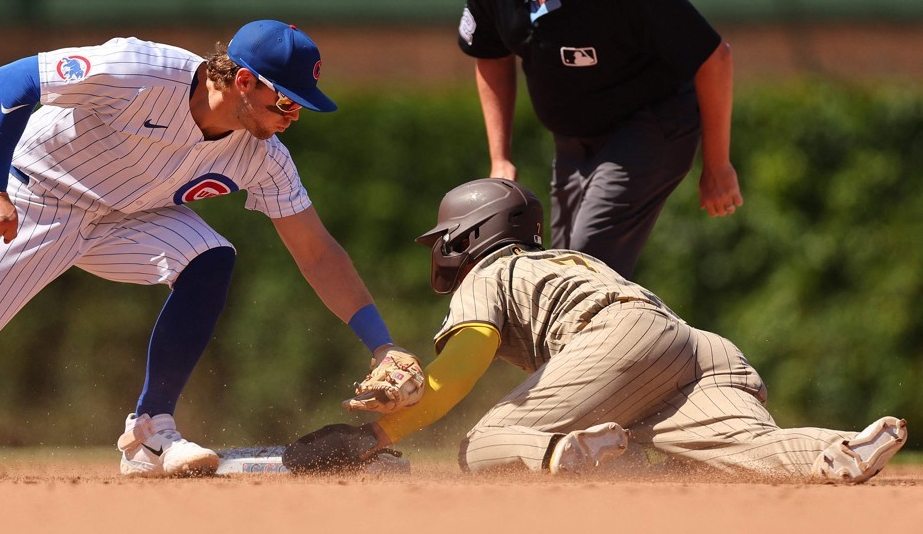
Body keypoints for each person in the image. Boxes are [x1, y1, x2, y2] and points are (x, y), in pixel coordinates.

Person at [0, 20, 416, 479]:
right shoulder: (139, 68)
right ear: (243, 82)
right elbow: (13, 82)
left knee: (210, 256)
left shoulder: (264, 156)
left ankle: (152, 429)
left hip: (122, 220)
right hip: (34, 204)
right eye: (286, 100)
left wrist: (380, 342)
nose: (292, 115)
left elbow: (317, 250)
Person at [284, 178, 907, 484]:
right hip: (693, 346)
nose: (441, 252)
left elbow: (465, 363)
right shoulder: (554, 260)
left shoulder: (491, 268)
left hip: (619, 340)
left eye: (445, 239)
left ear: (470, 236)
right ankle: (839, 450)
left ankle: (566, 452)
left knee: (484, 444)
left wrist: (374, 434)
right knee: (740, 450)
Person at [459, 0, 744, 278]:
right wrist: (499, 158)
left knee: (583, 269)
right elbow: (490, 55)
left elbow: (714, 57)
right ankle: (615, 340)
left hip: (650, 124)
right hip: (573, 141)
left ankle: (653, 341)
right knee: (561, 269)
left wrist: (717, 165)